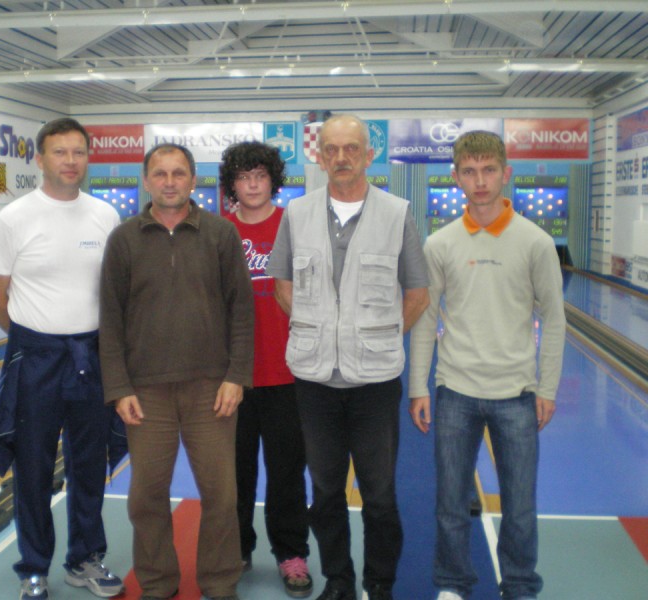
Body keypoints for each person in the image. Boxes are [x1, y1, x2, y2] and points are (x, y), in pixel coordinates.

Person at [266, 114, 430, 600]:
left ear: (368, 155)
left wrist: (374, 338)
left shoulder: (397, 213)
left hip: (374, 385)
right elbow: (282, 287)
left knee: (379, 496)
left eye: (351, 148)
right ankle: (339, 581)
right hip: (315, 383)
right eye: (332, 149)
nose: (341, 158)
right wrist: (326, 332)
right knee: (325, 494)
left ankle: (379, 584)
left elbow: (418, 294)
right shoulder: (297, 214)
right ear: (318, 157)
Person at [408, 131, 566, 600]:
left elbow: (555, 318)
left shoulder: (535, 242)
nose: (480, 181)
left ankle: (519, 585)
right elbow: (426, 319)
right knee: (451, 503)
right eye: (470, 172)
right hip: (455, 390)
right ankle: (453, 583)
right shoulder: (440, 244)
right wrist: (418, 386)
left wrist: (548, 388)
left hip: (517, 394)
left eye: (489, 170)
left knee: (520, 505)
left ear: (506, 174)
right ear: (456, 177)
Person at [98, 143, 254, 600]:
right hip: (146, 391)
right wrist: (119, 387)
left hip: (211, 387)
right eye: (161, 173)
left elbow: (241, 311)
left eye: (179, 173)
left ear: (193, 180)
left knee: (221, 494)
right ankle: (157, 582)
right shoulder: (124, 239)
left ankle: (220, 582)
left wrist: (236, 376)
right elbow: (111, 319)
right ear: (147, 180)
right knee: (146, 495)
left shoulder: (220, 234)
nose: (170, 182)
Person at [0, 117, 125, 600]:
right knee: (33, 468)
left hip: (92, 355)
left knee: (90, 463)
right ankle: (34, 568)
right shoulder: (14, 218)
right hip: (36, 357)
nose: (70, 161)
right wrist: (33, 339)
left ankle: (85, 559)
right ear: (40, 159)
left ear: (88, 158)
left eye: (78, 152)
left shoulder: (104, 215)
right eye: (60, 152)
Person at [220, 141, 312, 598]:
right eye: (243, 177)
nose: (253, 184)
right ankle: (238, 547)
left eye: (260, 175)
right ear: (232, 184)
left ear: (273, 180)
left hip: (288, 372)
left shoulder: (294, 226)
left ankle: (291, 552)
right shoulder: (219, 232)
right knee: (234, 473)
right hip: (233, 377)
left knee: (287, 472)